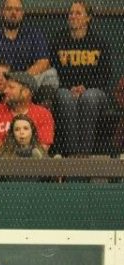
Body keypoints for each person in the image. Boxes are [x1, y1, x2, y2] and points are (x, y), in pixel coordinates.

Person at [50, 1, 110, 156]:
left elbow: (105, 76)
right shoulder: (58, 40)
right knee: (64, 96)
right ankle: (73, 156)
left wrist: (85, 88)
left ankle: (83, 157)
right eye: (71, 13)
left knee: (89, 98)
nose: (73, 16)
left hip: (95, 93)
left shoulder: (99, 42)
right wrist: (71, 88)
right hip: (66, 89)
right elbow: (54, 72)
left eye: (78, 13)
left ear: (88, 18)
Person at [0, 70, 55, 156]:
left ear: (25, 92)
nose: (5, 91)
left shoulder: (42, 114)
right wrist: (11, 146)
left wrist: (3, 150)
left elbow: (41, 149)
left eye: (11, 87)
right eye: (6, 87)